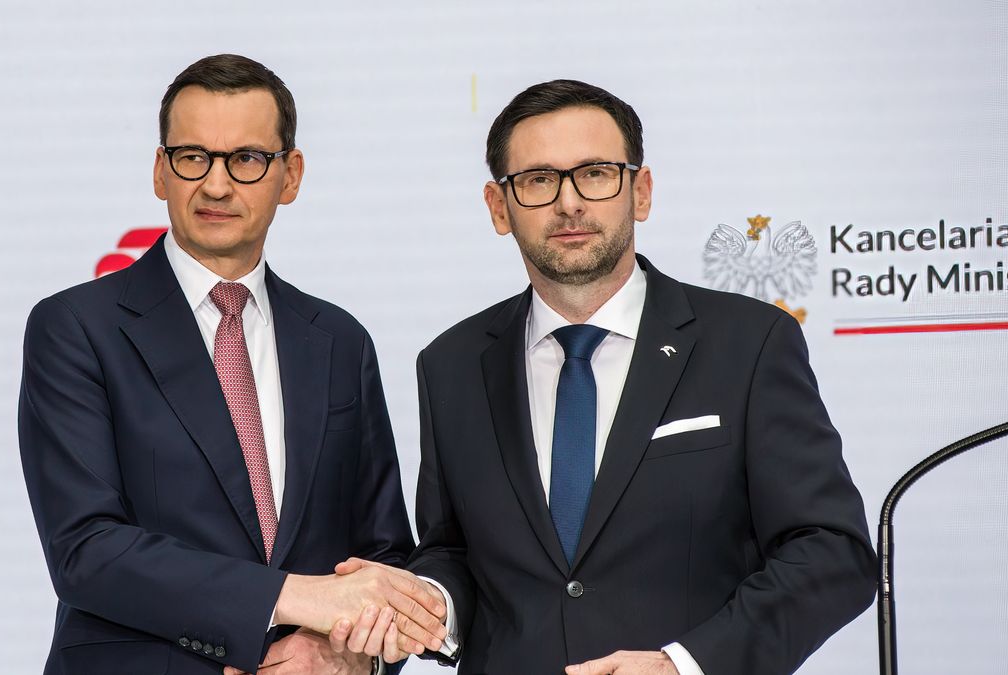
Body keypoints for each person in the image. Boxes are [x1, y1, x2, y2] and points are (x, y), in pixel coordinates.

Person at [338, 79, 877, 674]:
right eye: (538, 180)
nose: (569, 202)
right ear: (498, 207)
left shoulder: (749, 343)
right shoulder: (451, 364)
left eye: (595, 173)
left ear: (640, 192)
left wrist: (684, 665)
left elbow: (832, 552)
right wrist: (433, 603)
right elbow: (454, 549)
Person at [18, 54, 445, 675]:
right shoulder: (76, 327)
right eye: (193, 157)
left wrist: (350, 658)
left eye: (246, 159)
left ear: (290, 176)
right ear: (160, 171)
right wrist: (290, 598)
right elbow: (87, 549)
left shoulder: (339, 340)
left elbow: (381, 557)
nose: (216, 186)